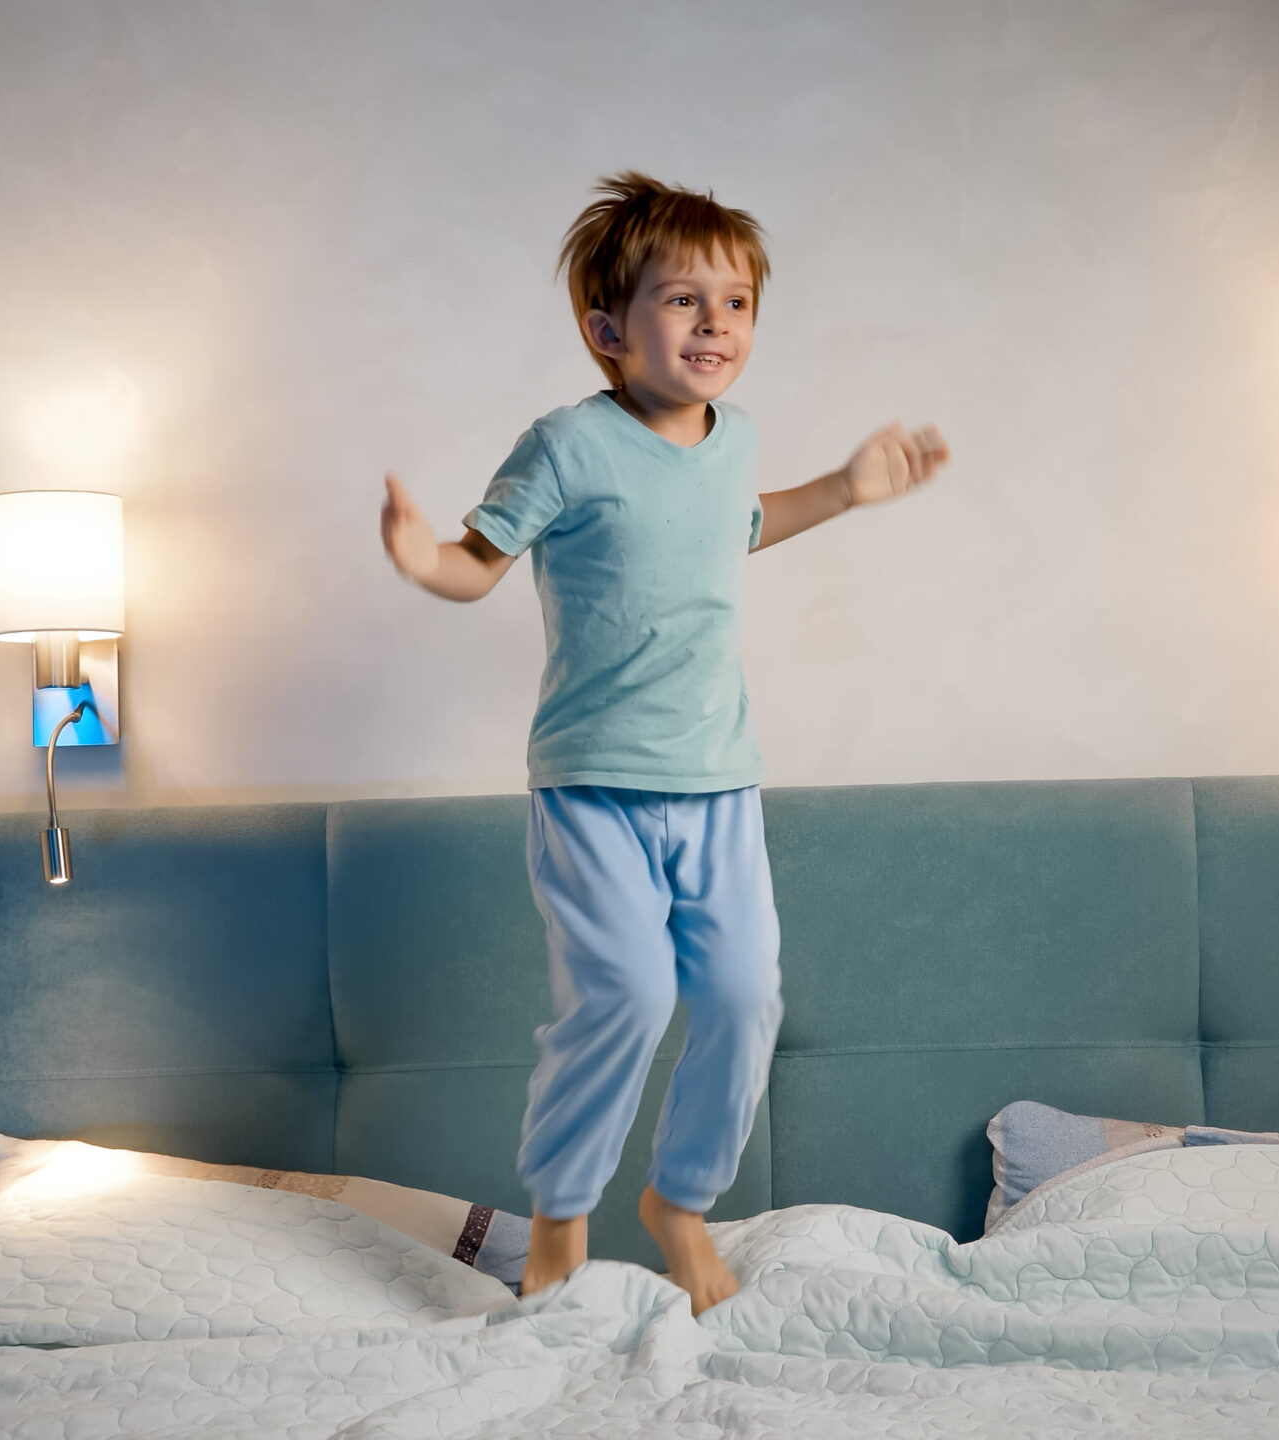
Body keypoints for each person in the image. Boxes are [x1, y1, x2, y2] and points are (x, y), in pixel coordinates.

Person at [379, 172, 947, 1313]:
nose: (715, 326)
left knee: (743, 996)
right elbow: (475, 564)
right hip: (592, 787)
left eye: (734, 304)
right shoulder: (566, 446)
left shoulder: (731, 440)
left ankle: (679, 1204)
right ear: (606, 329)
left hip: (719, 785)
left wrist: (843, 487)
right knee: (627, 996)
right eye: (682, 301)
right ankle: (560, 1217)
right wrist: (417, 558)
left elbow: (738, 524)